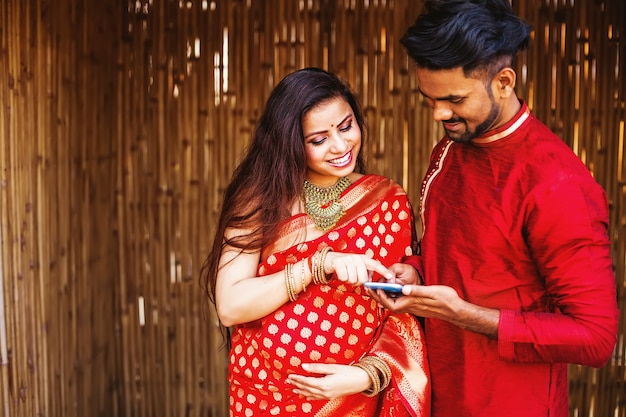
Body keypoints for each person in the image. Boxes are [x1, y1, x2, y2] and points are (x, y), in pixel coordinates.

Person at [367, 1, 619, 416]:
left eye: (453, 99)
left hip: (512, 403)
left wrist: (463, 314)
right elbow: (465, 257)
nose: (438, 113)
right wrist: (415, 268)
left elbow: (595, 337)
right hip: (440, 393)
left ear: (503, 81)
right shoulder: (451, 146)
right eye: (428, 98)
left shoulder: (556, 184)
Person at [201, 67, 430, 417]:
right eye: (318, 139)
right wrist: (317, 265)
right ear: (290, 142)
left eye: (346, 126)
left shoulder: (386, 201)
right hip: (266, 396)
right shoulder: (260, 201)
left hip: (356, 399)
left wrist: (366, 375)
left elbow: (402, 312)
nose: (340, 146)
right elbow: (231, 306)